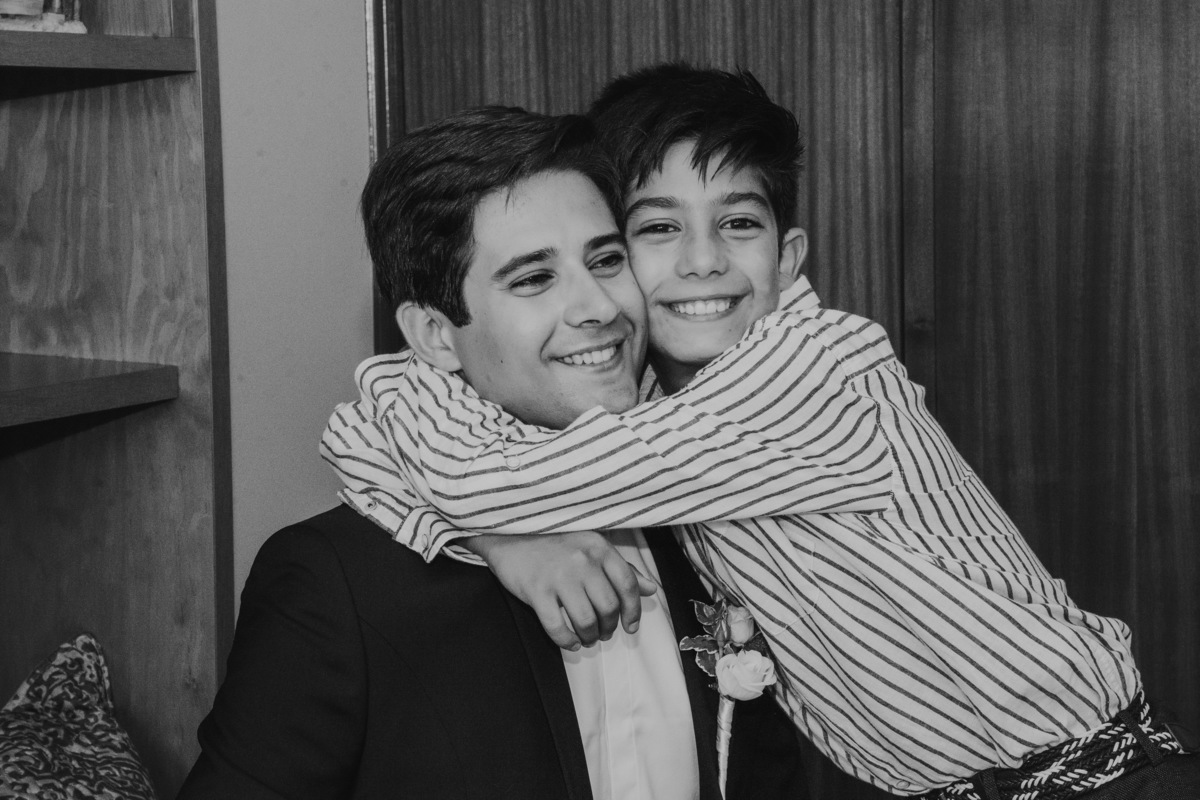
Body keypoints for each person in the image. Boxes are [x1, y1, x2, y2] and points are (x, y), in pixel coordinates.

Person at [322, 64, 1200, 799]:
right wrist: (504, 534)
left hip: (1098, 780)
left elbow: (449, 459)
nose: (703, 260)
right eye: (656, 230)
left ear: (788, 258)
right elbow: (369, 432)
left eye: (738, 224)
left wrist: (501, 531)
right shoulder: (653, 414)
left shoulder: (811, 373)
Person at [178, 107, 806, 800]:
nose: (599, 307)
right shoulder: (336, 585)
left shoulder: (712, 506)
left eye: (606, 260)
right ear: (434, 334)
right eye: (533, 279)